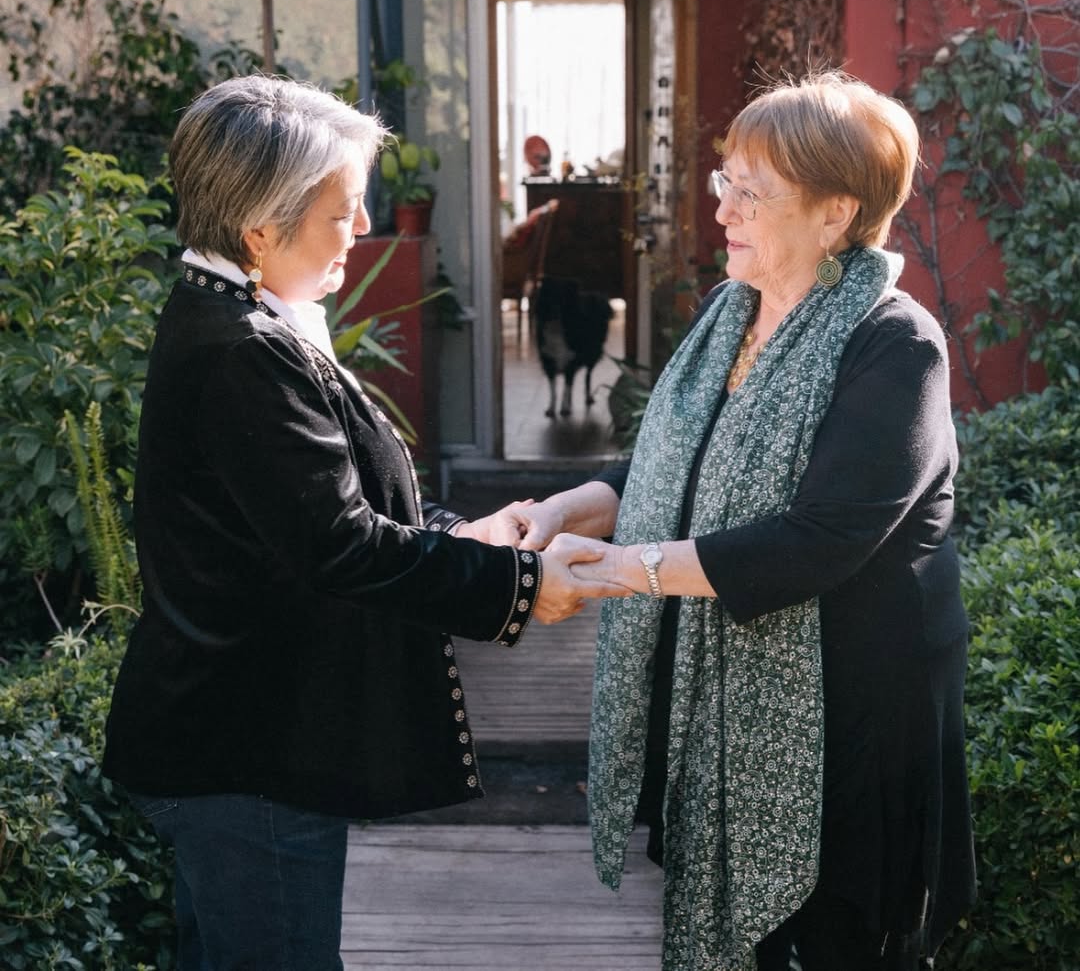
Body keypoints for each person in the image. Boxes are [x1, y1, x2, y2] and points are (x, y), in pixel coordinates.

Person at [100, 74, 626, 971]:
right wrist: (522, 588)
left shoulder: (247, 319)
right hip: (247, 753)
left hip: (236, 738)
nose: (362, 233)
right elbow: (339, 548)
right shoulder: (242, 351)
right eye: (343, 214)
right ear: (261, 230)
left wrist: (470, 536)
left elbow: (316, 518)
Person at [510, 72, 977, 970]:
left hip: (857, 704)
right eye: (725, 180)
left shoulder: (895, 342)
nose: (721, 206)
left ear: (836, 214)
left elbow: (820, 540)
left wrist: (609, 572)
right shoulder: (735, 311)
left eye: (750, 192)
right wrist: (569, 508)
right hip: (729, 691)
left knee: (843, 939)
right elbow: (667, 469)